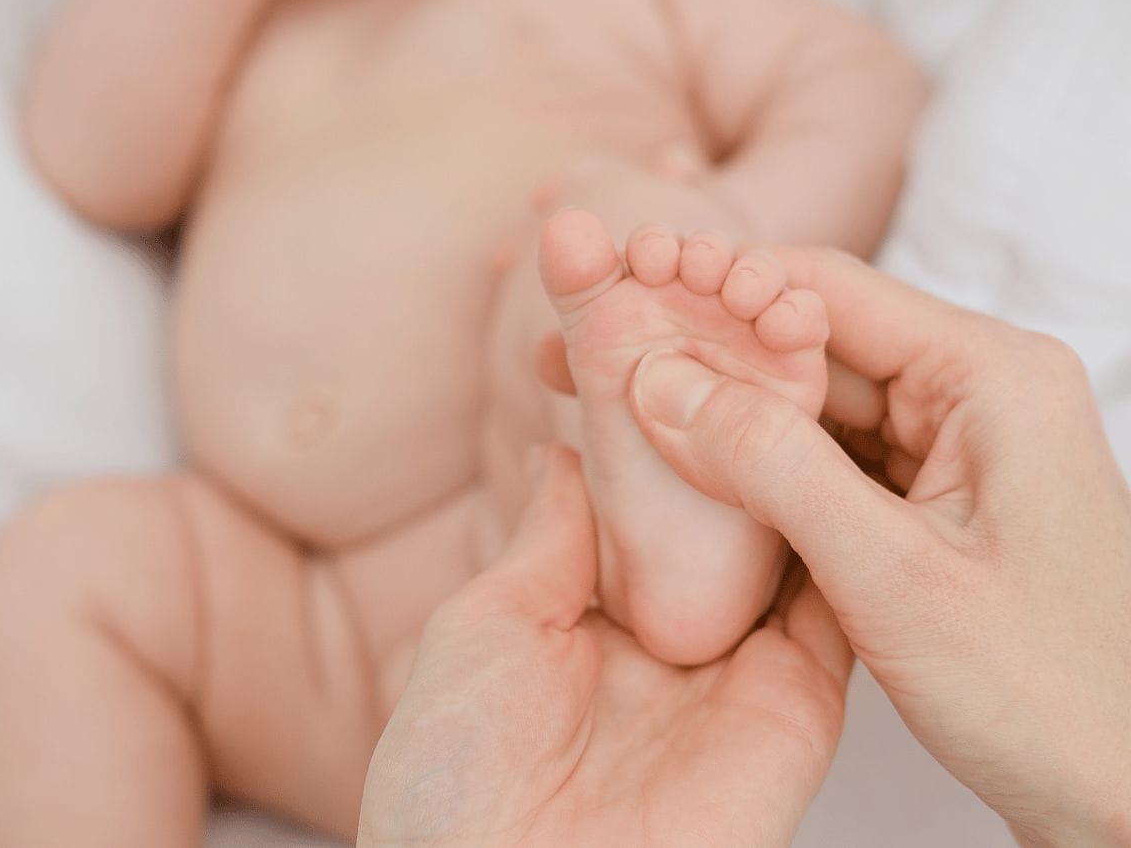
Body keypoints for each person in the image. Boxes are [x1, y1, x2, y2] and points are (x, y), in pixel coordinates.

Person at [0, 0, 925, 842]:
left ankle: (678, 520)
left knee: (605, 248)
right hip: (309, 616)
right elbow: (90, 161)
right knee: (75, 564)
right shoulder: (242, 7)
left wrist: (720, 241)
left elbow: (861, 95)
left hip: (546, 536)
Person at [357, 248, 1131, 847]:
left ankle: (675, 536)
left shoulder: (653, 44)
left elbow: (850, 91)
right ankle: (681, 517)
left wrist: (728, 208)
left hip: (447, 552)